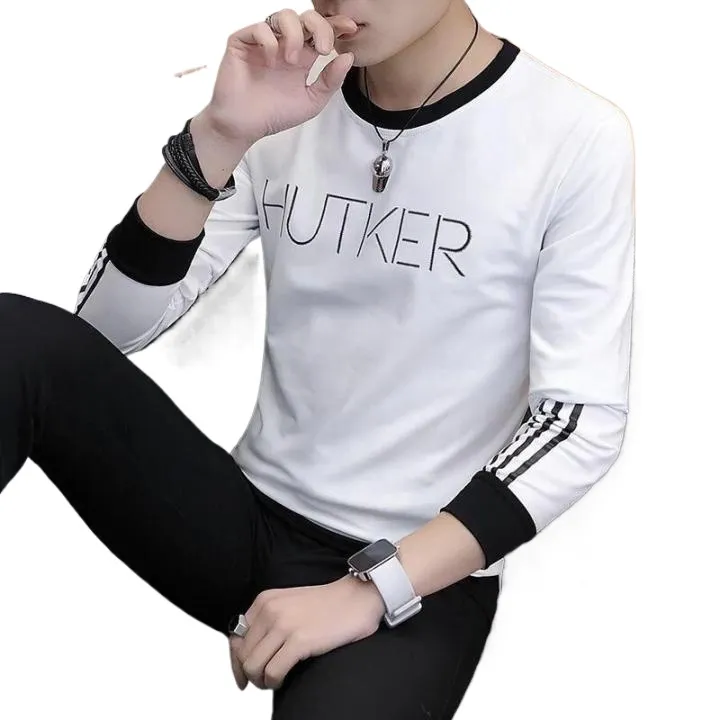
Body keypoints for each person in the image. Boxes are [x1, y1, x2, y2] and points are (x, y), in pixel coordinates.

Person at [0, 1, 635, 718]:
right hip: (242, 521)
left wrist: (370, 590)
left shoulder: (574, 137)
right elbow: (100, 333)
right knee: (15, 336)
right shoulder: (289, 96)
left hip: (421, 569)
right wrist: (219, 135)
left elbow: (580, 421)